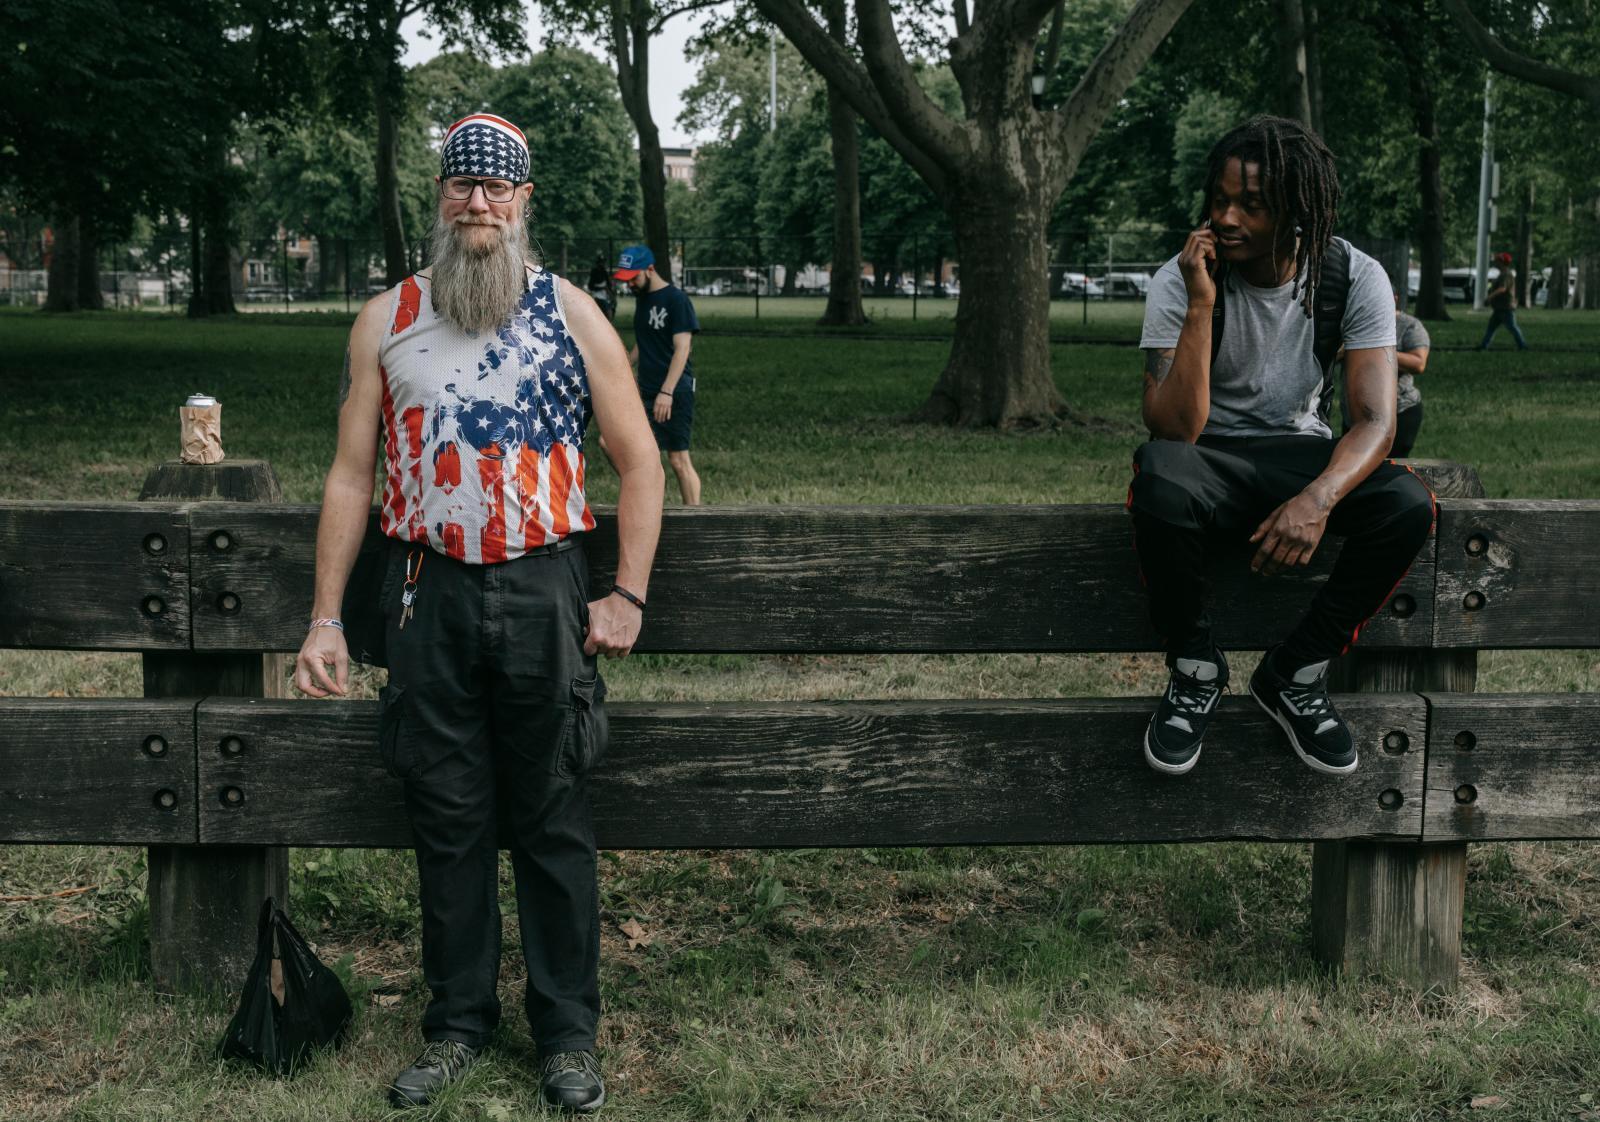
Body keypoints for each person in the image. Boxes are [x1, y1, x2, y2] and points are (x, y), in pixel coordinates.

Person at [293, 112, 664, 1114]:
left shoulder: (571, 314)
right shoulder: (387, 318)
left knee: (551, 815)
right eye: (463, 185)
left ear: (523, 202)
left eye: (498, 188)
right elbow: (349, 475)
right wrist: (326, 617)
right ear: (441, 199)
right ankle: (456, 1025)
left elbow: (637, 465)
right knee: (446, 818)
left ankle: (567, 1035)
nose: (479, 203)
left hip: (545, 589)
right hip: (427, 590)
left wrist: (625, 592)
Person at [1129, 115, 1436, 779]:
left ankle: (1294, 674)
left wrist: (1319, 498)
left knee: (1407, 503)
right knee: (1158, 475)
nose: (1228, 218)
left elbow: (1376, 422)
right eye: (1220, 200)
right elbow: (1173, 430)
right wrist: (1201, 305)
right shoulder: (1179, 279)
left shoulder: (1354, 276)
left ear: (1297, 212)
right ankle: (1195, 667)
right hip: (1207, 461)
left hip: (1301, 456)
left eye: (1252, 205)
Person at [613, 245, 702, 505]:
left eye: (633, 278)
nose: (629, 285)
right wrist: (626, 364)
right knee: (610, 443)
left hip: (674, 391)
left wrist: (667, 392)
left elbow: (682, 348)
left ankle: (695, 517)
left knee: (678, 459)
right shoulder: (643, 298)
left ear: (650, 270)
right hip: (646, 390)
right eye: (625, 280)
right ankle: (648, 488)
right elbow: (646, 340)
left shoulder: (677, 300)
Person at [1341, 292, 1431, 457]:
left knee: (1388, 470)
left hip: (1399, 412)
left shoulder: (1409, 325)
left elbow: (1418, 363)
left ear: (1394, 298)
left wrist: (1373, 350)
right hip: (1354, 414)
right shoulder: (1355, 324)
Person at [1479, 251, 1530, 351]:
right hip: (1499, 308)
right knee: (1491, 328)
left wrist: (1490, 297)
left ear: (1502, 262)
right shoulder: (1502, 274)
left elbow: (1502, 288)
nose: (1495, 262)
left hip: (1505, 307)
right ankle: (1483, 346)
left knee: (1512, 327)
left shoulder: (1506, 274)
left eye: (1497, 260)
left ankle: (1523, 346)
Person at [586, 254, 615, 321]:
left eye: (603, 262)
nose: (602, 264)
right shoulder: (594, 272)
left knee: (610, 311)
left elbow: (609, 284)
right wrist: (602, 288)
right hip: (598, 296)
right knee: (607, 314)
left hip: (606, 296)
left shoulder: (604, 271)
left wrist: (611, 292)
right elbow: (591, 287)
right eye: (601, 262)